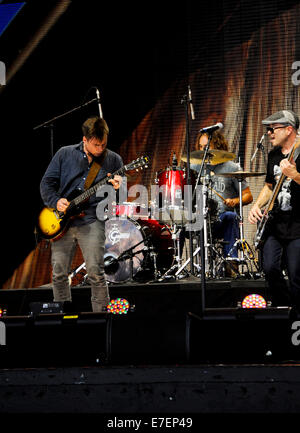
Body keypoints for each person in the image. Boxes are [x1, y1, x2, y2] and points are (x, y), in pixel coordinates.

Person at [40, 116, 123, 312]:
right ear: (84, 140)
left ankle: (102, 317)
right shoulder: (64, 154)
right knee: (59, 273)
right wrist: (55, 201)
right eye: (96, 145)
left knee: (96, 272)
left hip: (92, 219)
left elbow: (119, 196)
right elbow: (46, 184)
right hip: (63, 222)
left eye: (103, 144)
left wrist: (119, 188)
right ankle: (61, 315)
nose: (100, 149)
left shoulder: (113, 160)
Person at [248, 109, 300, 308]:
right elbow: (270, 186)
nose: (269, 133)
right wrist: (256, 205)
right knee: (269, 268)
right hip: (275, 223)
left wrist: (295, 175)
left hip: (297, 224)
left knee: (296, 276)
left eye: (273, 129)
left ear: (289, 130)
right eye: (268, 129)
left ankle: (296, 319)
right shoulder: (273, 155)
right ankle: (284, 310)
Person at [191, 130, 253, 276]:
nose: (203, 150)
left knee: (231, 216)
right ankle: (174, 265)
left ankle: (231, 264)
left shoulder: (231, 168)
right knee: (179, 219)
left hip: (223, 218)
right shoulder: (195, 168)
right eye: (200, 147)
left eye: (206, 147)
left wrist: (235, 201)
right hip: (202, 219)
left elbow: (248, 196)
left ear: (217, 146)